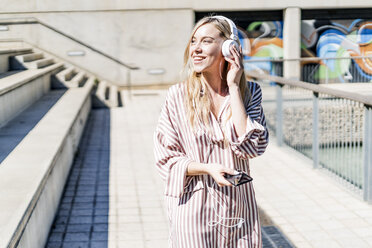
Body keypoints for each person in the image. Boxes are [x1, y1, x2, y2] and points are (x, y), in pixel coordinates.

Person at [154, 15, 269, 248]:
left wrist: (234, 87)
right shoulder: (177, 96)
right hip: (193, 207)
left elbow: (251, 148)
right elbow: (165, 158)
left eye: (206, 41)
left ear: (229, 48)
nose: (196, 48)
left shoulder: (250, 93)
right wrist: (207, 168)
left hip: (238, 208)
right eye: (194, 41)